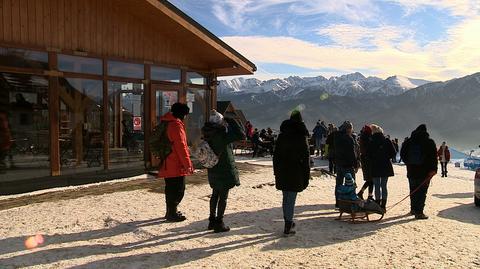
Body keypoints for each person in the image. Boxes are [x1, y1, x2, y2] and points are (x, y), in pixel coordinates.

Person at [202, 110, 245, 233]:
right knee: (223, 197)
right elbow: (241, 135)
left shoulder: (207, 132)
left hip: (213, 167)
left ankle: (211, 220)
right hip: (224, 168)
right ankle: (219, 223)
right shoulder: (221, 134)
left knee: (215, 194)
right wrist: (231, 120)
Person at [273, 110, 310, 236]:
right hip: (296, 171)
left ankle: (288, 221)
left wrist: (276, 171)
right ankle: (288, 224)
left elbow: (276, 155)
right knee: (291, 199)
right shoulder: (301, 136)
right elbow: (306, 158)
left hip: (283, 170)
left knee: (286, 197)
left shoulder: (282, 135)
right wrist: (306, 175)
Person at [158, 103, 194, 222]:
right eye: (185, 114)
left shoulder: (166, 122)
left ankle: (170, 211)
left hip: (167, 161)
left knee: (170, 188)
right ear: (182, 114)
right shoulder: (176, 125)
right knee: (178, 189)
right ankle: (172, 213)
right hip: (175, 163)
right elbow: (181, 146)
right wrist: (188, 164)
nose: (185, 117)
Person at [400, 124, 438, 220]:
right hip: (425, 172)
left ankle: (413, 209)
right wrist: (434, 169)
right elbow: (434, 158)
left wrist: (408, 163)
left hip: (411, 171)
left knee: (413, 190)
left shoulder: (408, 141)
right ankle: (419, 212)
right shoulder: (429, 142)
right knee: (422, 192)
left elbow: (402, 154)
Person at [367, 124, 396, 212]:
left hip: (375, 166)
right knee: (384, 186)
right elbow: (393, 153)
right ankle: (383, 205)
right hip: (385, 166)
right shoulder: (387, 140)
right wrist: (386, 157)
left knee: (377, 186)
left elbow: (368, 154)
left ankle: (377, 204)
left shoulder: (371, 141)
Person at [334, 121, 359, 207]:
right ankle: (351, 202)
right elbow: (352, 154)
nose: (352, 130)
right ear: (348, 129)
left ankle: (338, 202)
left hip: (339, 164)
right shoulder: (349, 138)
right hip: (348, 165)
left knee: (339, 184)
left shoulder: (336, 137)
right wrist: (355, 165)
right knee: (351, 184)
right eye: (351, 129)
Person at [357, 125, 373, 201]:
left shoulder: (363, 137)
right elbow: (369, 149)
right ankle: (368, 195)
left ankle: (363, 193)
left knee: (369, 180)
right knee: (371, 179)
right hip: (368, 161)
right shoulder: (367, 138)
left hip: (364, 160)